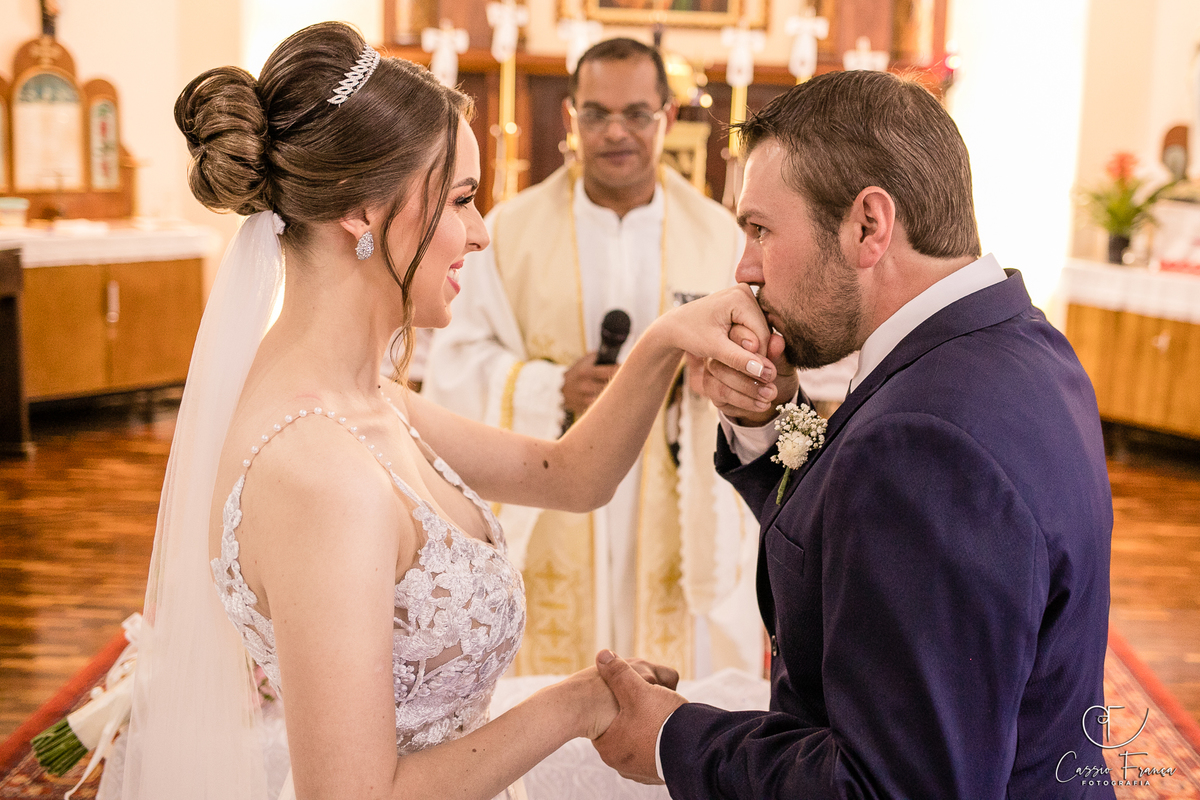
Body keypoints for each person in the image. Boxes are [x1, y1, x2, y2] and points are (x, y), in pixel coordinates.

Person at [107, 22, 776, 800]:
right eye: (461, 199)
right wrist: (576, 704)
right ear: (362, 210)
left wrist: (663, 341)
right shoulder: (318, 472)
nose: (483, 232)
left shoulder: (368, 401)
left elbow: (570, 475)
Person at [590, 69, 1116, 798]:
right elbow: (860, 548)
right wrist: (769, 420)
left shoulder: (925, 444)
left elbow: (892, 787)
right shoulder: (1022, 346)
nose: (743, 268)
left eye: (761, 229)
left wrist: (673, 738)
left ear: (869, 225)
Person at [422, 37, 761, 680]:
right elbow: (456, 363)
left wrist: (712, 374)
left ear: (666, 116)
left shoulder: (718, 235)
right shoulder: (511, 230)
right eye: (595, 113)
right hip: (553, 485)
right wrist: (552, 388)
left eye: (636, 113)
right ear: (571, 115)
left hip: (671, 479)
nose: (615, 132)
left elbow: (755, 358)